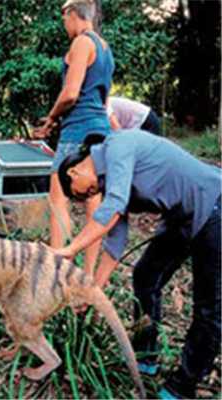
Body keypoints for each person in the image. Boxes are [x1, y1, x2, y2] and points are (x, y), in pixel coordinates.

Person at [54, 130, 221, 400]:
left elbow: (115, 205)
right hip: (181, 218)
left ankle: (183, 385)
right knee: (145, 276)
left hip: (213, 205)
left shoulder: (117, 145)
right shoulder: (112, 181)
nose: (88, 196)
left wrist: (71, 249)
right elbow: (115, 242)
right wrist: (92, 292)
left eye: (81, 193)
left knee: (209, 307)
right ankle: (146, 355)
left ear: (73, 172)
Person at [32, 0, 114, 276]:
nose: (64, 25)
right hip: (101, 130)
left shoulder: (81, 43)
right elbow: (102, 99)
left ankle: (58, 272)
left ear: (71, 14)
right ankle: (87, 276)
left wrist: (51, 118)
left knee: (58, 200)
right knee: (94, 203)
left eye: (64, 19)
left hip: (78, 130)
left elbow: (70, 94)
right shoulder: (105, 48)